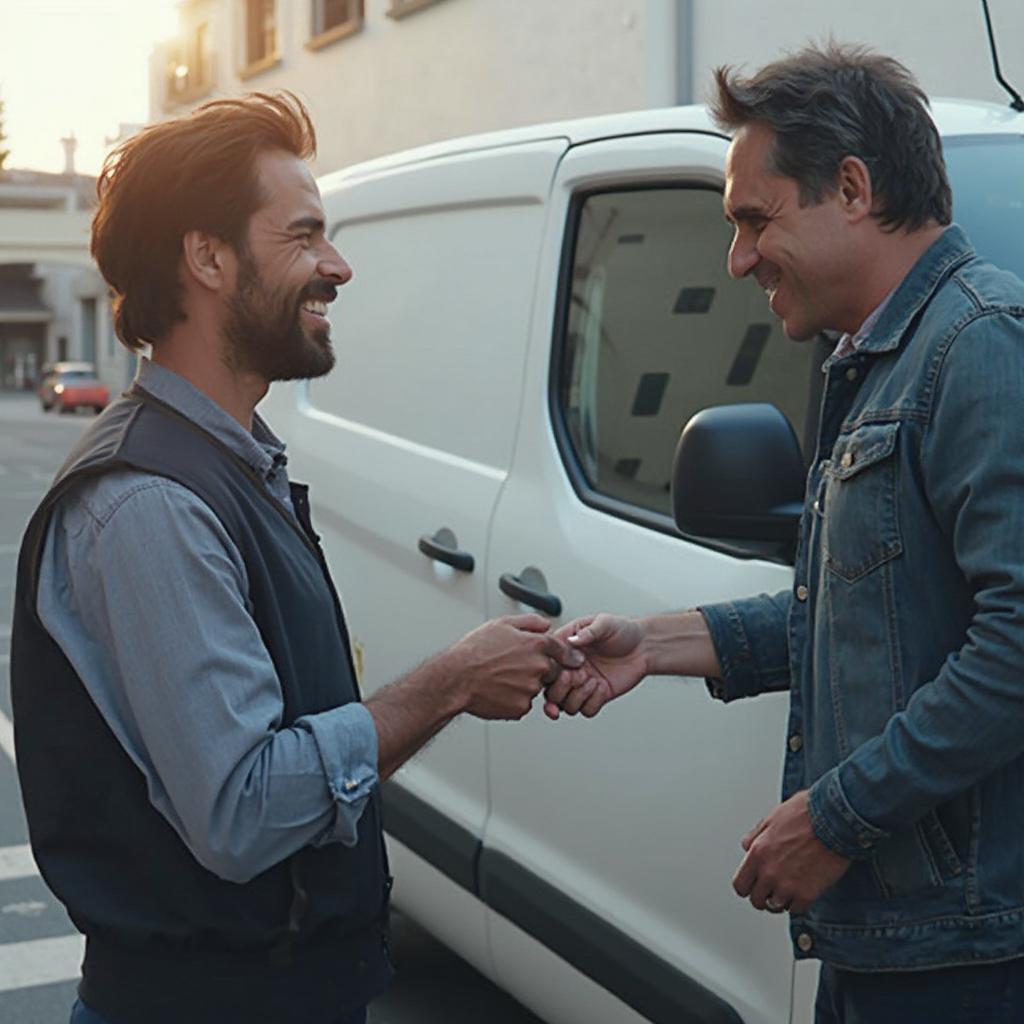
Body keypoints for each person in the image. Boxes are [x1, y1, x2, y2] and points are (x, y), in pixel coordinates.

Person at [9, 92, 580, 1024]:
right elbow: (243, 809)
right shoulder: (152, 502)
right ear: (208, 257)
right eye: (306, 235)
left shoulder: (225, 461)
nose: (338, 265)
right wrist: (447, 682)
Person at [544, 44, 1024, 1022]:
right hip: (896, 937)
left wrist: (837, 818)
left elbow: (1016, 644)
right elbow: (866, 603)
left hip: (964, 952)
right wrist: (661, 643)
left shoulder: (978, 348)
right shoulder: (884, 356)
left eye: (754, 220)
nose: (737, 257)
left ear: (851, 187)